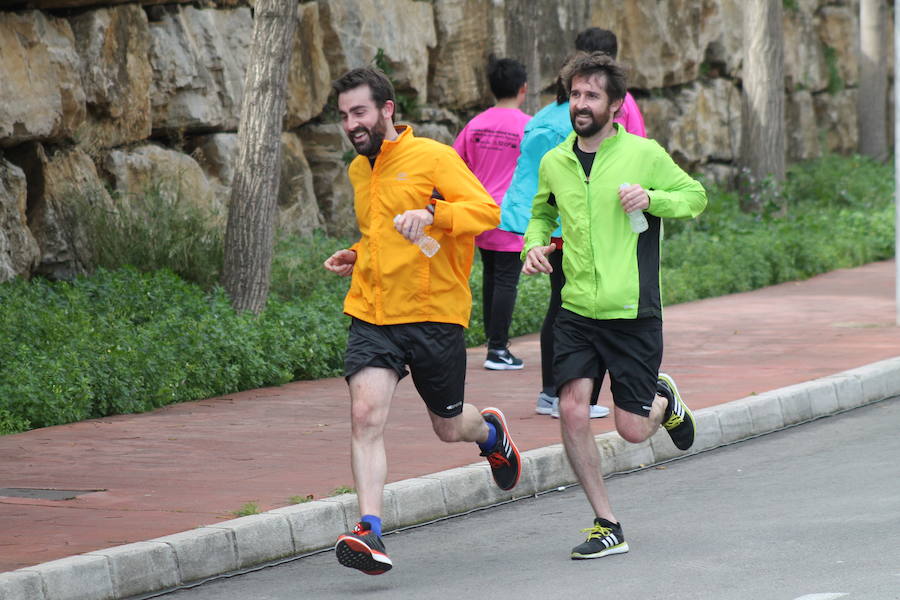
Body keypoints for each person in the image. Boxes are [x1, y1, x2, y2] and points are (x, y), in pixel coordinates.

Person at [323, 66, 522, 576]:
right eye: (344, 115)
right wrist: (356, 252)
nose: (351, 124)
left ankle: (491, 435)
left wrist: (434, 213)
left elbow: (487, 211)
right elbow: (378, 233)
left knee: (448, 426)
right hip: (373, 312)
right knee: (364, 415)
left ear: (387, 110)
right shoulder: (358, 170)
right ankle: (369, 529)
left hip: (434, 315)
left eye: (360, 112)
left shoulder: (433, 156)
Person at [521, 52, 706, 560]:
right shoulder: (555, 161)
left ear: (616, 104)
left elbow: (695, 196)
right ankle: (607, 523)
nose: (581, 105)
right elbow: (540, 215)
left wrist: (651, 198)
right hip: (576, 310)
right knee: (572, 409)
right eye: (575, 95)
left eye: (592, 96)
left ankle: (662, 401)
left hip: (633, 312)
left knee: (630, 428)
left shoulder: (643, 154)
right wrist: (532, 245)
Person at [500, 27, 646, 419]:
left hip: (554, 232)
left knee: (562, 305)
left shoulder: (543, 116)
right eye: (581, 93)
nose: (584, 100)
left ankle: (558, 393)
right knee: (581, 310)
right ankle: (572, 393)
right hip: (579, 231)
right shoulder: (597, 118)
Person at [453, 57, 531, 371]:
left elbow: (455, 163)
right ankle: (498, 349)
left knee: (490, 277)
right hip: (512, 216)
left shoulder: (475, 125)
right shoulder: (529, 126)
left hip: (480, 213)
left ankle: (493, 343)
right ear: (523, 89)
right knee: (506, 281)